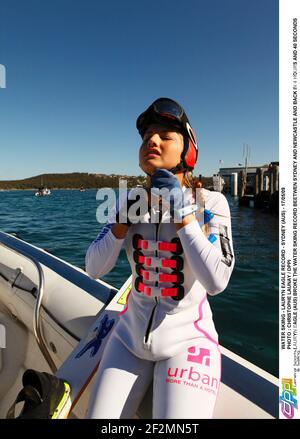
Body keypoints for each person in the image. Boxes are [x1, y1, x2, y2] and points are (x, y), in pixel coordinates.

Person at [85, 97, 235, 419]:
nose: (151, 140)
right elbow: (94, 268)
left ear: (188, 151)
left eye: (165, 136)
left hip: (188, 342)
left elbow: (217, 281)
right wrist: (121, 224)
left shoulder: (211, 203)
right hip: (128, 339)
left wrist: (183, 213)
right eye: (146, 136)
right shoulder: (126, 201)